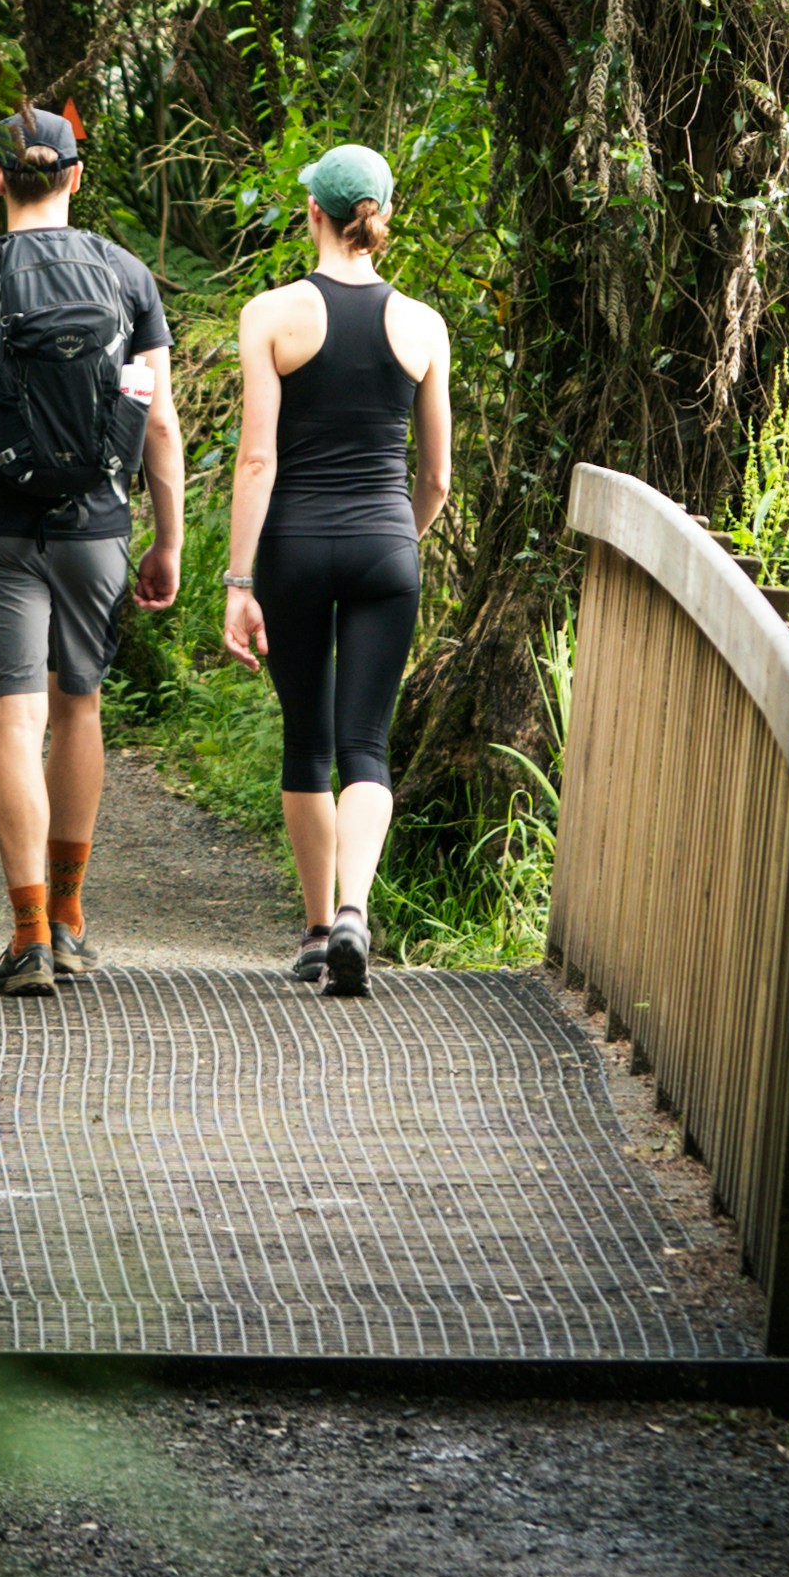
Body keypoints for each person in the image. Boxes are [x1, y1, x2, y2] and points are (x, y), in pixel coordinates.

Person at [0, 103, 181, 1000]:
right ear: (74, 176)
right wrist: (168, 542)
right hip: (96, 524)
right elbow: (161, 427)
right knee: (81, 709)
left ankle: (26, 937)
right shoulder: (126, 275)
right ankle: (69, 920)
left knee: (14, 723)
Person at [216, 142, 451, 997]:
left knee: (307, 741)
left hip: (295, 549)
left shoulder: (271, 314)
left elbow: (256, 459)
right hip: (386, 542)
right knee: (366, 746)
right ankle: (355, 910)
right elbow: (436, 475)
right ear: (379, 215)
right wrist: (401, 535)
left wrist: (240, 582)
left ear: (311, 211)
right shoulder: (423, 326)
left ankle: (318, 930)